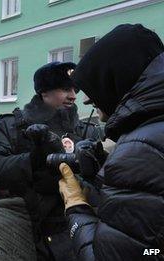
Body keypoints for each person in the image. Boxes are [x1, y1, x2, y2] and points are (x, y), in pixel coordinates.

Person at [58, 24, 164, 260]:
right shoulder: (150, 134)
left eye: (92, 85)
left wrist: (76, 207)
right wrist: (105, 173)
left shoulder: (141, 151)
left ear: (116, 80)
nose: (85, 100)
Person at [0, 61, 102, 260]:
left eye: (75, 89)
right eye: (65, 89)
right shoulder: (12, 126)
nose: (73, 95)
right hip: (24, 231)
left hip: (74, 230)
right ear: (44, 92)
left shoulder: (86, 130)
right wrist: (32, 160)